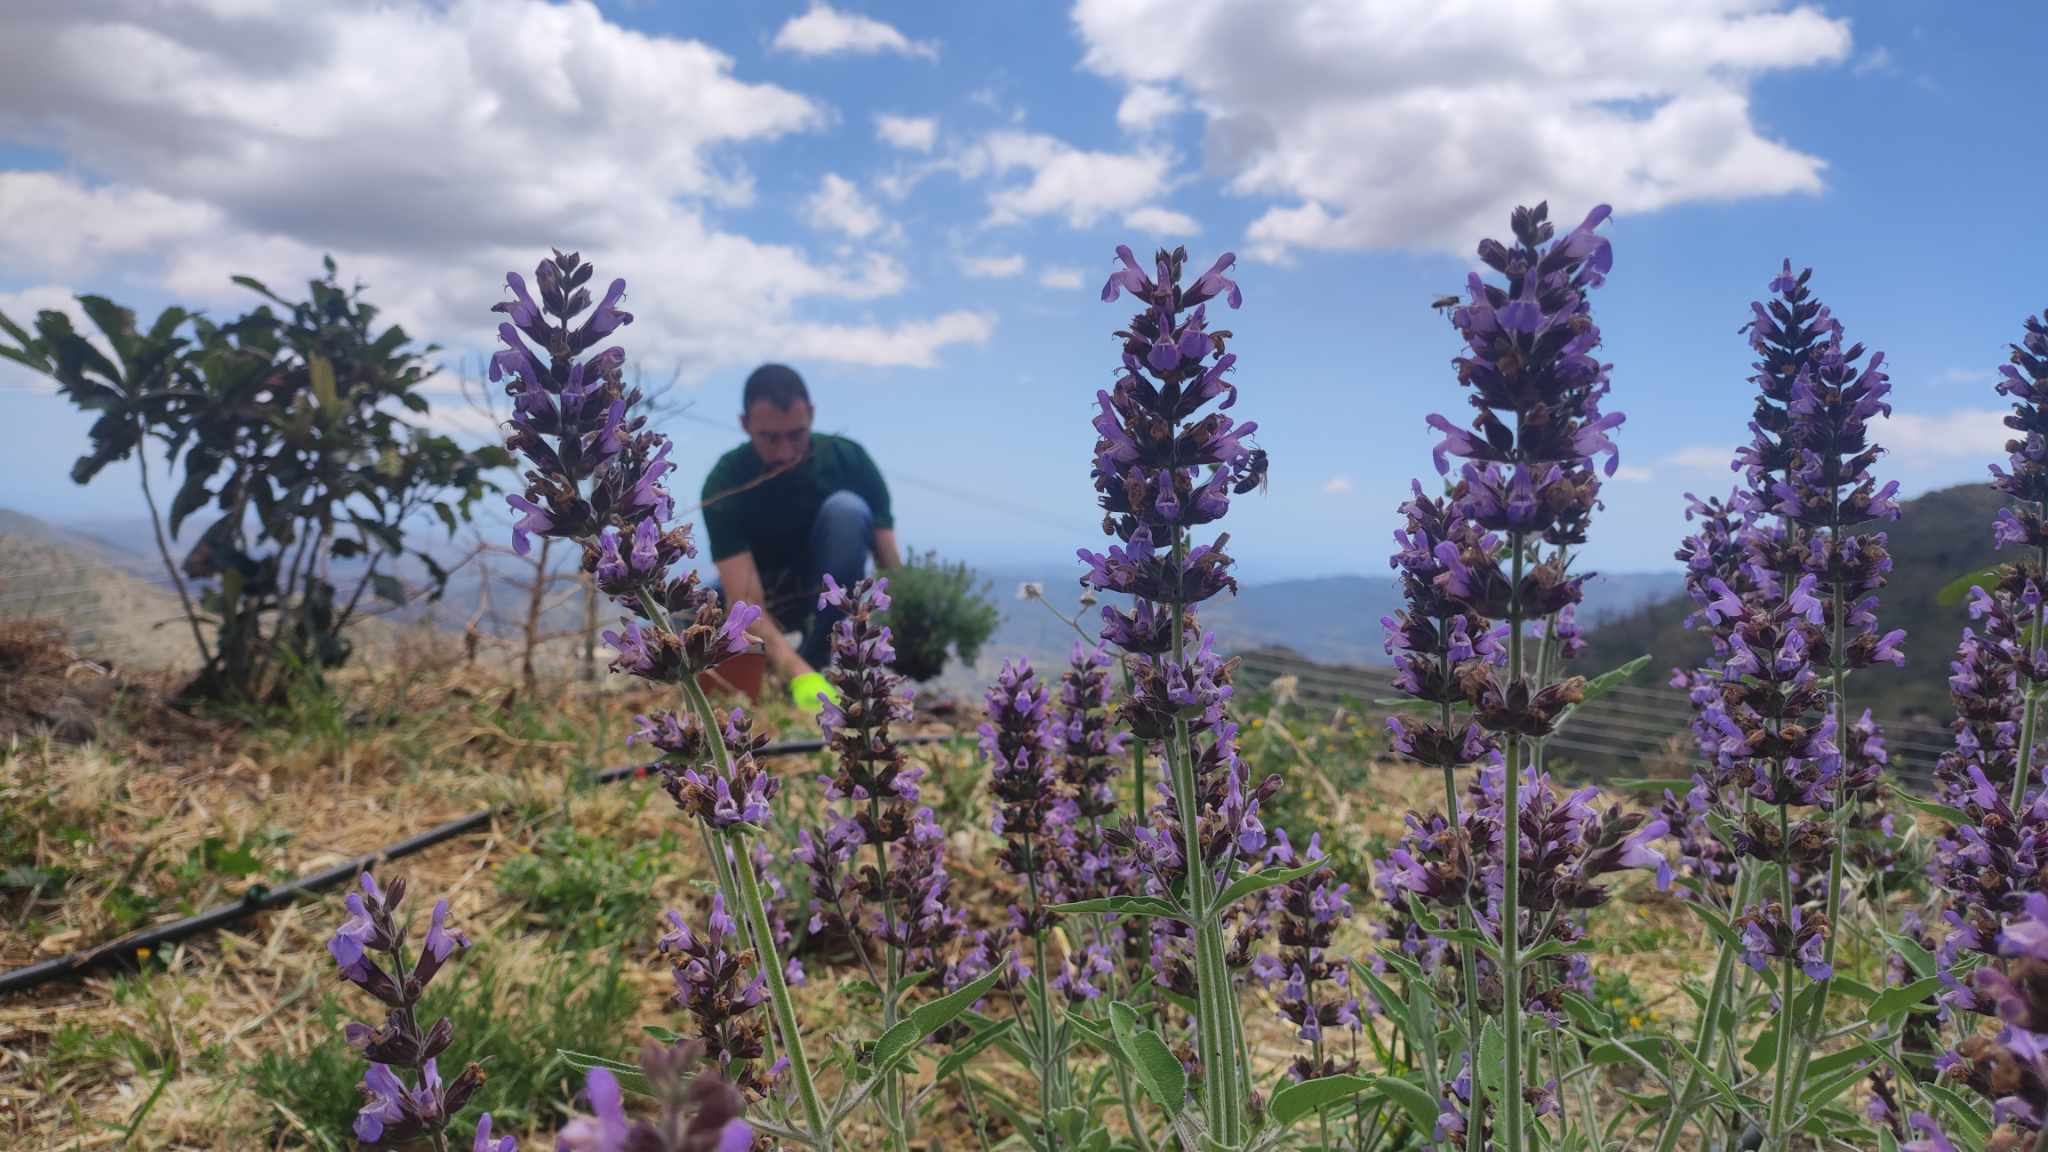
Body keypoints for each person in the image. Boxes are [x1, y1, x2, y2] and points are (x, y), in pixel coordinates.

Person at [700, 364, 900, 697]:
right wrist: (800, 676)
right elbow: (745, 602)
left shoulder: (849, 460)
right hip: (763, 597)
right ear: (745, 424)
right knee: (689, 619)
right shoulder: (725, 483)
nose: (785, 453)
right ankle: (775, 680)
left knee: (847, 510)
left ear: (811, 415)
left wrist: (908, 632)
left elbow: (892, 568)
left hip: (827, 596)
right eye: (769, 438)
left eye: (796, 434)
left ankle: (826, 658)